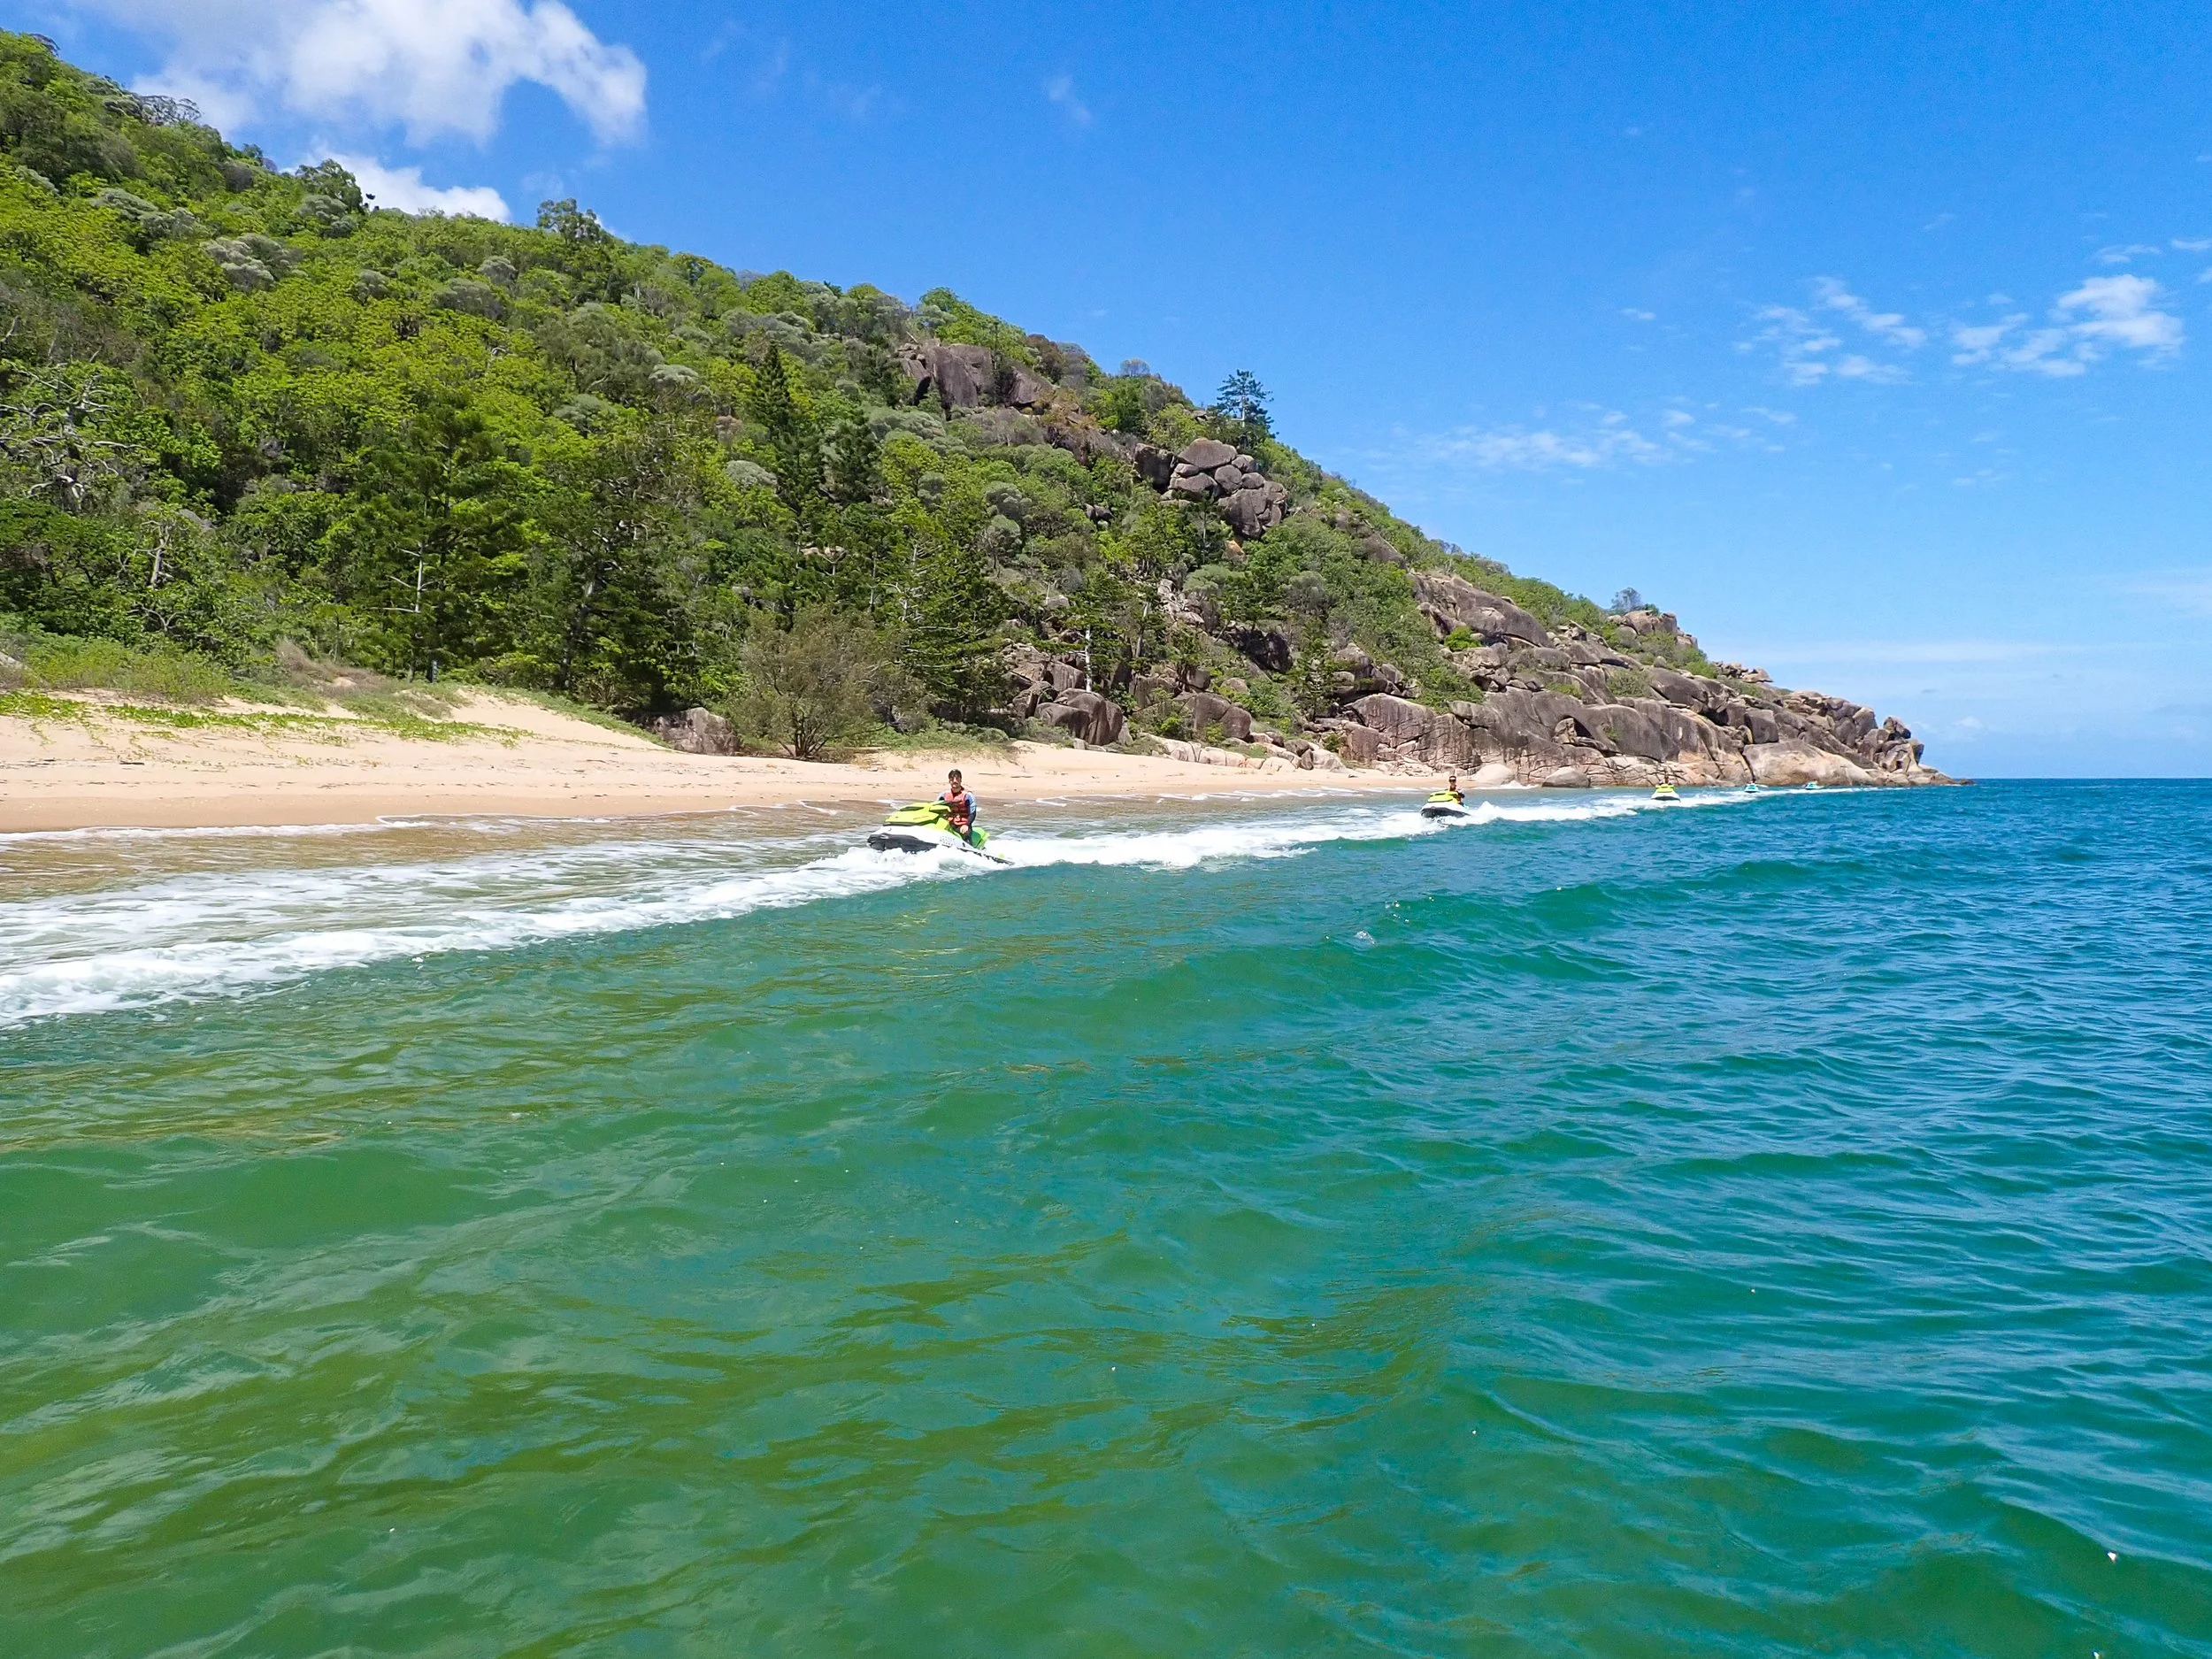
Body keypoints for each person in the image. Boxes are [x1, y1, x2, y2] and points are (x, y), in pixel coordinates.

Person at [940, 768, 979, 844]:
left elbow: (972, 813)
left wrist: (967, 825)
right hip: (948, 824)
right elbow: (935, 808)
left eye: (957, 778)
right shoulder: (943, 796)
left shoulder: (968, 796)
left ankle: (969, 848)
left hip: (962, 825)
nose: (954, 781)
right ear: (949, 781)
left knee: (965, 833)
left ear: (960, 780)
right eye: (952, 779)